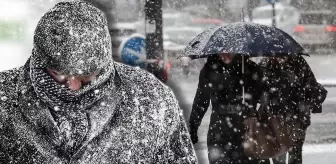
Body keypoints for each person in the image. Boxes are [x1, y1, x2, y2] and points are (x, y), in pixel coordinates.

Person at [0, 2, 197, 163]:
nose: (73, 87)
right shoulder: (4, 102)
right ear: (39, 60)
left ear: (103, 64)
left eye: (87, 76)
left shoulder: (150, 100)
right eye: (58, 74)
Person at [189, 53, 268, 164]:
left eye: (230, 51)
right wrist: (193, 125)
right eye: (222, 51)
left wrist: (249, 89)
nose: (226, 54)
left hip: (246, 128)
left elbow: (264, 97)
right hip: (219, 130)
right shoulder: (209, 69)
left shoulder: (251, 69)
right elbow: (201, 100)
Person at [259, 55, 327, 164]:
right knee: (279, 156)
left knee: (294, 154)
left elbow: (311, 87)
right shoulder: (266, 64)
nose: (280, 56)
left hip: (295, 118)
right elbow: (258, 90)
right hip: (274, 118)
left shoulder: (298, 63)